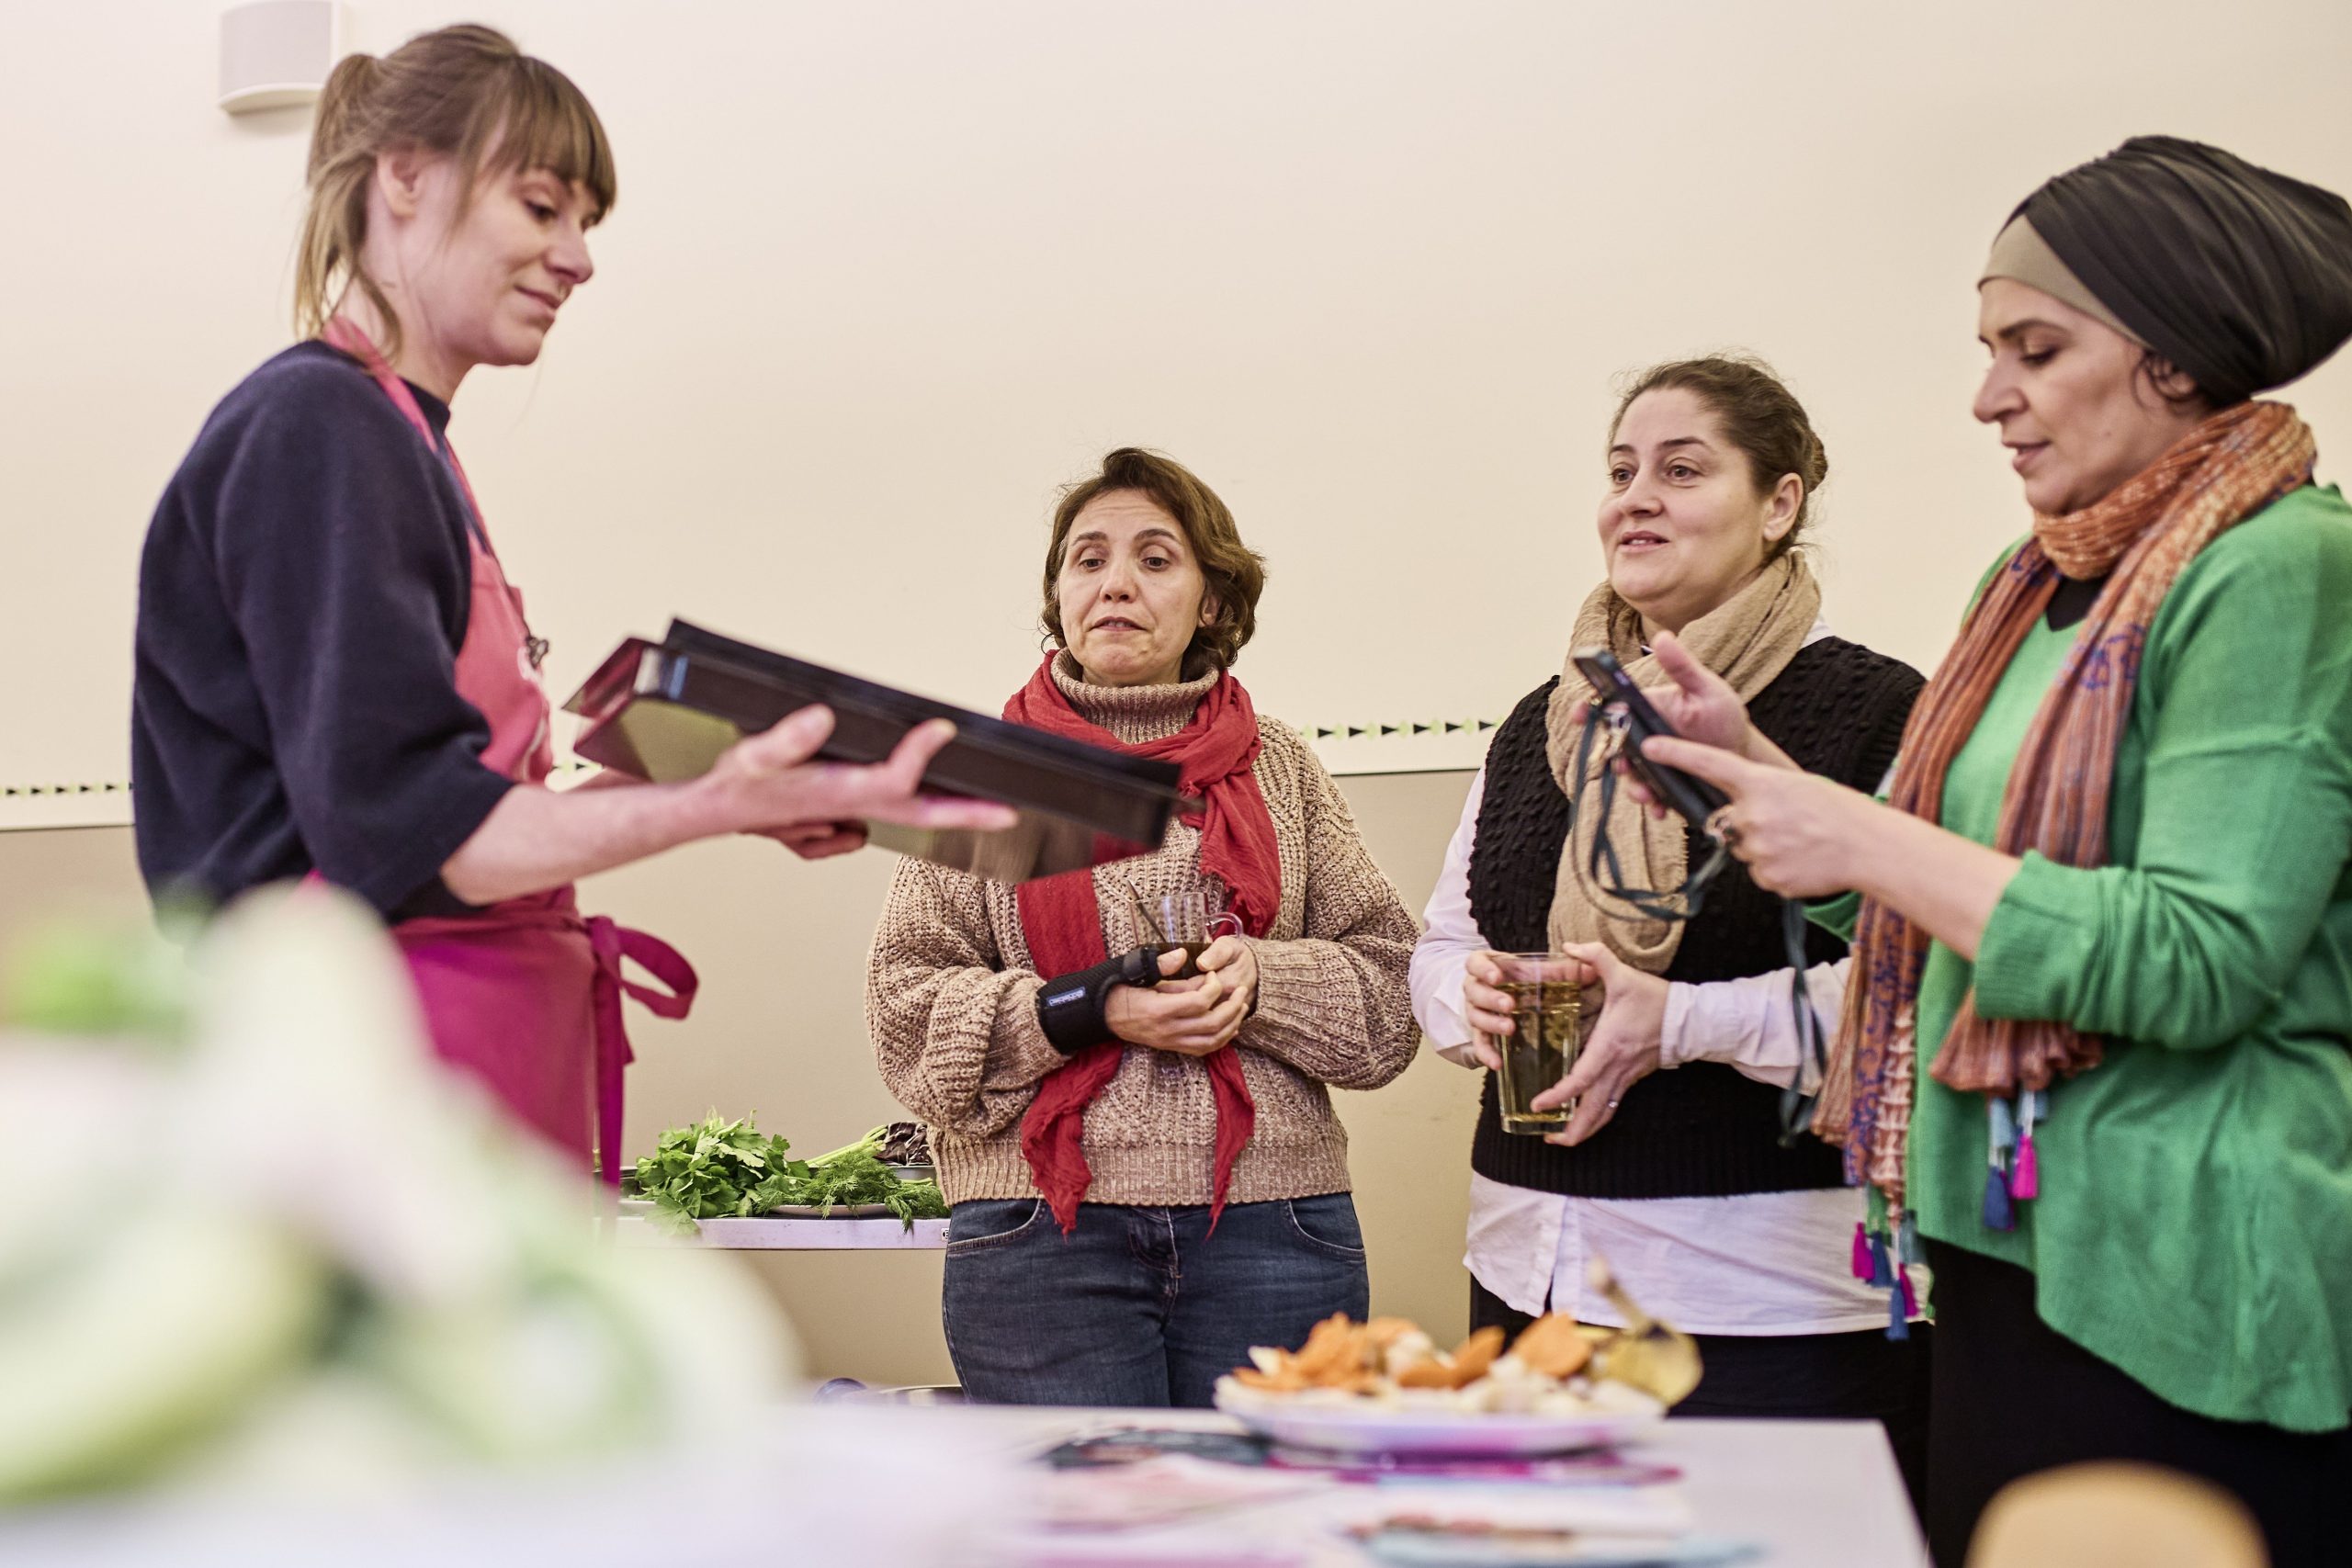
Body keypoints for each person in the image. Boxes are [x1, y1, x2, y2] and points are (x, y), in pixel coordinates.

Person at [1616, 138, 2352, 1567]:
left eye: (2036, 347)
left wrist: (1862, 832)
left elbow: (2201, 955)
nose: (1989, 396)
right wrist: (1768, 776)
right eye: (1988, 350)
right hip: (2004, 1242)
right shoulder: (2029, 582)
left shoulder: (2283, 563)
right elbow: (1936, 887)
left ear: (2176, 356)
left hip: (2185, 1264)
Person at [131, 26, 1009, 1179]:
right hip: (351, 1081)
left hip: (440, 1062)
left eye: (585, 222)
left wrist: (717, 781)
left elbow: (435, 808)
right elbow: (418, 835)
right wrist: (718, 800)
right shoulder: (322, 426)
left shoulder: (406, 443)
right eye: (542, 207)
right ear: (404, 175)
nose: (579, 259)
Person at [1408, 356, 1930, 1503]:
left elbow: (1916, 991)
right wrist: (1467, 997)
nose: (1634, 498)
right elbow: (1441, 949)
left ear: (1779, 503)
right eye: (1619, 471)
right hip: (1528, 1284)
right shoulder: (1539, 725)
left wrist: (1680, 1022)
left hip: (1770, 1303)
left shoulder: (1880, 710)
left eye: (1682, 471)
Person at [866, 447, 1419, 1408]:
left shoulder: (1282, 766)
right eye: (1087, 560)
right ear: (1059, 595)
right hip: (1040, 1235)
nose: (1115, 583)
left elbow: (1390, 993)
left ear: (1213, 602)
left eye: (1155, 559)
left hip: (1273, 1226)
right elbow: (907, 1015)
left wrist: (1264, 981)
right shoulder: (983, 772)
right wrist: (1093, 1008)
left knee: (1267, 1505)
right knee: (1083, 1507)